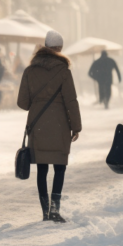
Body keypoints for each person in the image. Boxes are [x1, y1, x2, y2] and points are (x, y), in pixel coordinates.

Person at [17, 30, 82, 224]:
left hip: (38, 125)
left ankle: (45, 211)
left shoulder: (30, 71)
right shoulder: (64, 71)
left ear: (45, 47)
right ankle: (55, 209)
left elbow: (23, 103)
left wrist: (38, 100)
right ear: (60, 48)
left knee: (42, 169)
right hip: (60, 125)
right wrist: (76, 126)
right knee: (59, 168)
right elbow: (71, 101)